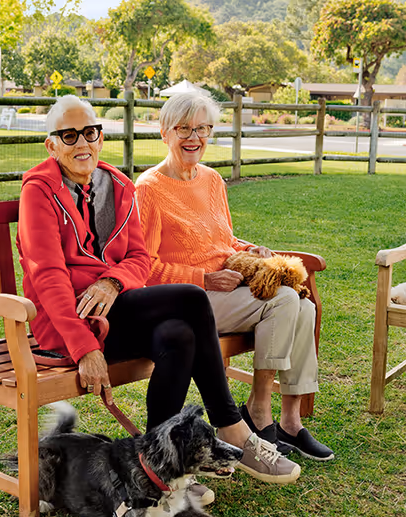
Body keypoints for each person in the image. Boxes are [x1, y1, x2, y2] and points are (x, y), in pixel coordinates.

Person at [17, 94, 301, 489]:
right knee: (191, 297)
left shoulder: (117, 185)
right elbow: (47, 276)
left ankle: (156, 466)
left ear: (100, 138)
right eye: (69, 135)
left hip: (118, 308)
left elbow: (137, 258)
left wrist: (112, 280)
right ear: (52, 144)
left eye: (89, 132)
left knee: (179, 335)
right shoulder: (39, 192)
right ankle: (232, 427)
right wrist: (85, 348)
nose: (81, 143)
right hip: (70, 326)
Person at [135, 91, 334, 462]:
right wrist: (202, 279)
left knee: (303, 306)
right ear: (164, 133)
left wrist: (249, 250)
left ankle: (290, 420)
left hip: (230, 290)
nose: (194, 137)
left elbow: (221, 240)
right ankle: (259, 412)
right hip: (189, 301)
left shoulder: (211, 180)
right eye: (184, 129)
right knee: (287, 299)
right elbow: (142, 266)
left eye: (203, 129)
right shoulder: (148, 189)